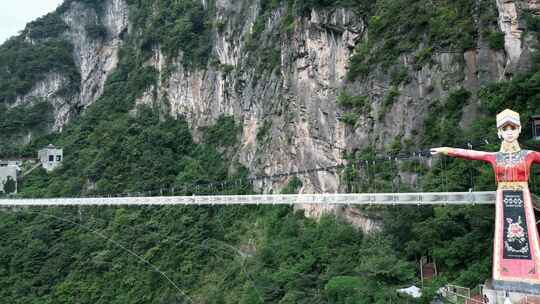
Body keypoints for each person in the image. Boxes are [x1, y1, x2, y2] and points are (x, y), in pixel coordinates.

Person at [431, 109, 540, 293]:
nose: (509, 132)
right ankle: (508, 276)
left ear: (519, 130)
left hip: (523, 198)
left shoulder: (529, 155)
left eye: (513, 128)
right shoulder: (494, 157)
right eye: (505, 129)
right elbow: (469, 154)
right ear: (499, 133)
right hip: (504, 198)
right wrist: (446, 150)